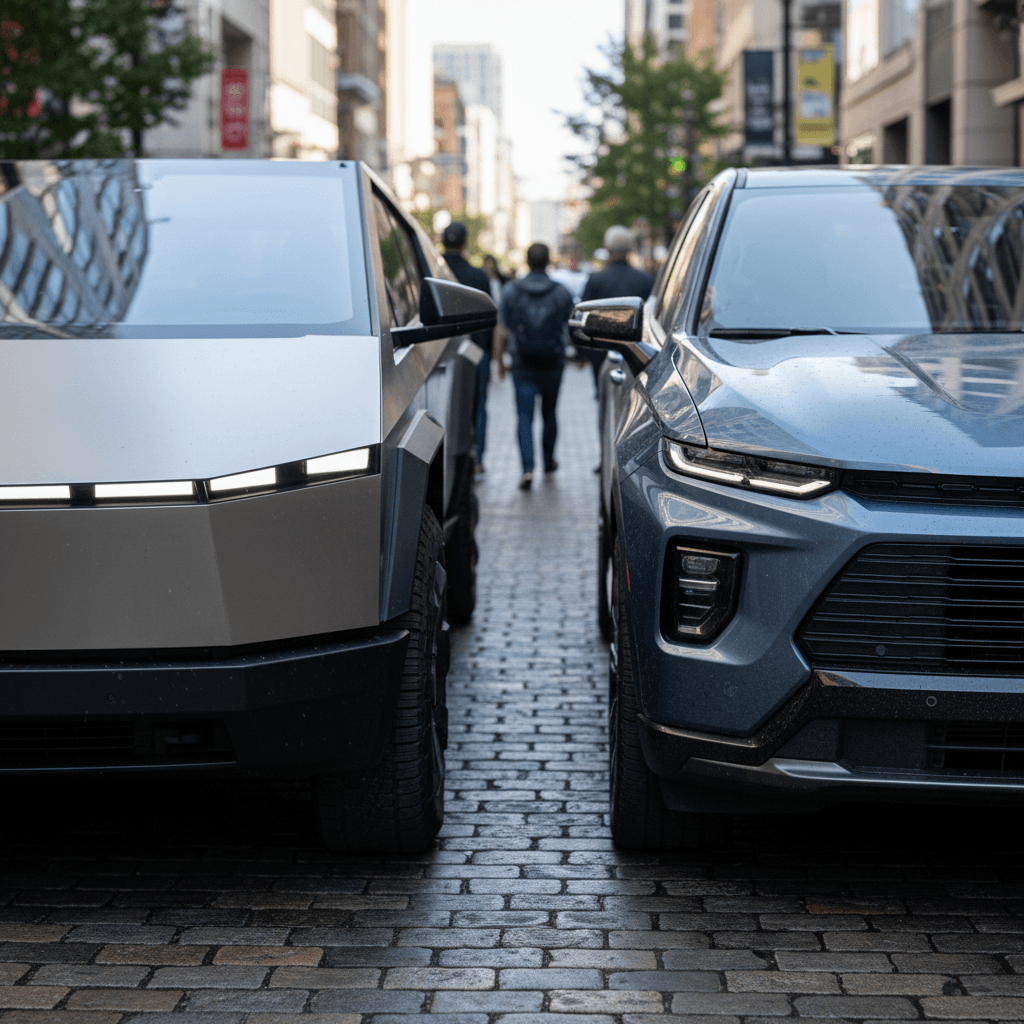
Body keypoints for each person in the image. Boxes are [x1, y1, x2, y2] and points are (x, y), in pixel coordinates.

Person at [497, 242, 575, 490]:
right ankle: (548, 461)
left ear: (526, 261)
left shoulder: (511, 291)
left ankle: (527, 469)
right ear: (548, 261)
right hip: (553, 361)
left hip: (522, 362)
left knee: (523, 415)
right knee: (550, 413)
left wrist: (498, 359)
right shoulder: (561, 292)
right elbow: (571, 327)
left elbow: (502, 327)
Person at [441, 222, 493, 473]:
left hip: (435, 352)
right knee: (478, 405)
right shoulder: (478, 275)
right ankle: (477, 458)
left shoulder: (430, 271)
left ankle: (448, 457)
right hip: (474, 349)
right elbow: (489, 320)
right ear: (465, 243)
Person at [580, 225, 655, 388]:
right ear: (629, 249)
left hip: (602, 353)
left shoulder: (596, 279)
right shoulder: (646, 280)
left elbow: (584, 318)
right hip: (640, 353)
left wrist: (586, 353)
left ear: (607, 248)